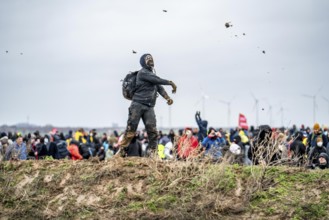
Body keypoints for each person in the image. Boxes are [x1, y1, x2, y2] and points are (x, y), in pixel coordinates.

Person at [118, 54, 177, 154]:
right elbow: (157, 80)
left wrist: (167, 98)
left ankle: (153, 154)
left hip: (149, 107)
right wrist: (170, 82)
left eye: (151, 58)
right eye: (147, 59)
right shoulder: (143, 73)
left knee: (153, 131)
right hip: (137, 104)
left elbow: (158, 87)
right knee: (131, 130)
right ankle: (122, 151)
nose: (150, 60)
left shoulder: (151, 74)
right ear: (143, 62)